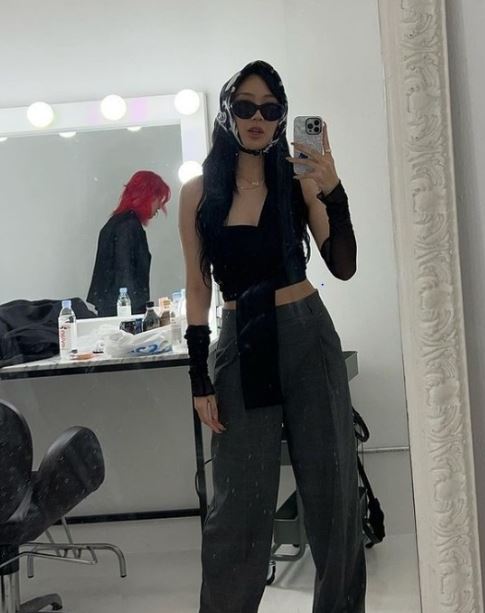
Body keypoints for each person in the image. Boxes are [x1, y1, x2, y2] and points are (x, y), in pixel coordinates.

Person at [179, 60, 366, 612]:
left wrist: (332, 190)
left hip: (306, 334)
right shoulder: (198, 193)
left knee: (332, 492)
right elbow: (196, 286)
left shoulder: (296, 179)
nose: (257, 118)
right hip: (241, 341)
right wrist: (198, 377)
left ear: (283, 116)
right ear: (227, 112)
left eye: (270, 108)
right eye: (245, 106)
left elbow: (343, 266)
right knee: (238, 502)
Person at [87, 170, 171, 316]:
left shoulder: (117, 223)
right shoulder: (128, 226)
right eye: (159, 199)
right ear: (149, 196)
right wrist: (137, 312)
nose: (159, 206)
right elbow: (124, 272)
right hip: (123, 311)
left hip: (113, 308)